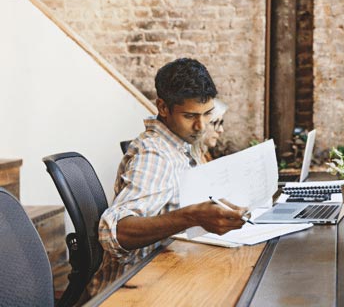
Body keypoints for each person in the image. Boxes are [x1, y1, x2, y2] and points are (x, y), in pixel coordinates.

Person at [87, 58, 247, 299]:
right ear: (163, 107)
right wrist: (191, 216)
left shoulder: (180, 145)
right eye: (190, 115)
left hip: (162, 273)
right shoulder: (156, 155)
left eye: (207, 115)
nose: (201, 126)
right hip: (132, 290)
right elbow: (115, 232)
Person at [192, 98, 228, 163]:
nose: (221, 130)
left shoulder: (203, 151)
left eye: (220, 123)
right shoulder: (185, 158)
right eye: (214, 123)